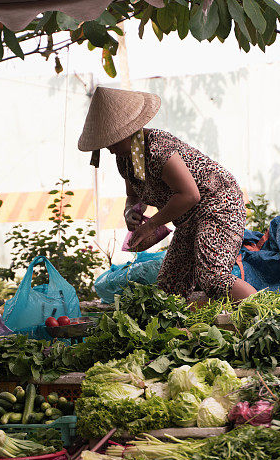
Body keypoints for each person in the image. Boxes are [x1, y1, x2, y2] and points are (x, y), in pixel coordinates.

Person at [78, 87, 257, 302]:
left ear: (129, 131)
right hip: (188, 216)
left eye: (113, 142)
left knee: (213, 276)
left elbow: (189, 195)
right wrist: (130, 212)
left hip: (218, 205)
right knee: (169, 287)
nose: (110, 149)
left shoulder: (158, 148)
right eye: (107, 144)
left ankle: (267, 319)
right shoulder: (125, 158)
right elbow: (134, 196)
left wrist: (151, 225)